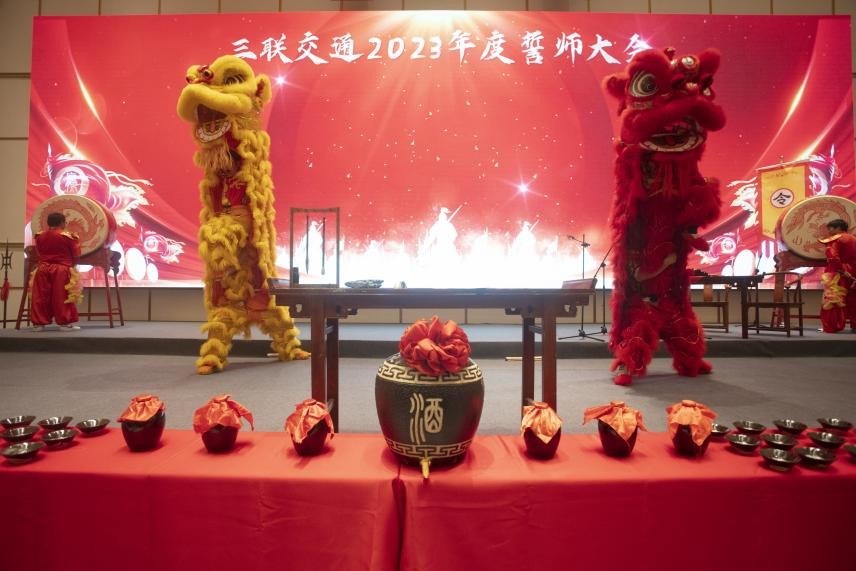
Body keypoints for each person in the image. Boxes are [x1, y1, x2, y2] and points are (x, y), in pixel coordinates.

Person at [31, 212, 81, 331]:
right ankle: (64, 323)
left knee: (40, 296)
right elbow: (76, 254)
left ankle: (38, 324)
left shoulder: (39, 236)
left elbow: (39, 252)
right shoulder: (68, 236)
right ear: (62, 223)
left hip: (42, 268)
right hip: (61, 269)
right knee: (61, 295)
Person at [819, 218, 856, 333]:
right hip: (853, 270)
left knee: (834, 298)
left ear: (838, 228)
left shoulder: (836, 239)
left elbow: (833, 257)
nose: (829, 231)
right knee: (853, 298)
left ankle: (833, 326)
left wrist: (841, 270)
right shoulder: (853, 239)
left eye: (830, 228)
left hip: (838, 272)